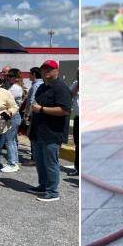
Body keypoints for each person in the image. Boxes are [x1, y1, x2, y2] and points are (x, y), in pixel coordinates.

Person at [28, 60, 72, 202]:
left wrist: (41, 109)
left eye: (49, 69)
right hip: (38, 131)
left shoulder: (61, 88)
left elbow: (64, 110)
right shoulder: (41, 88)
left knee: (51, 163)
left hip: (52, 133)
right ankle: (43, 186)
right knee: (40, 162)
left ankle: (53, 192)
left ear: (56, 71)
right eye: (44, 69)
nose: (46, 71)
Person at [2, 68, 24, 172]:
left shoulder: (15, 88)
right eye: (7, 76)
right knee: (13, 140)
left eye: (11, 76)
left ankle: (12, 163)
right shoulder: (9, 86)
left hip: (13, 116)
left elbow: (5, 99)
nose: (8, 77)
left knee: (9, 140)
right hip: (11, 116)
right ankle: (14, 161)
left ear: (15, 78)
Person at [68, 79, 79, 176]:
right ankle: (78, 169)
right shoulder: (76, 83)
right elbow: (70, 94)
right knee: (78, 144)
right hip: (78, 118)